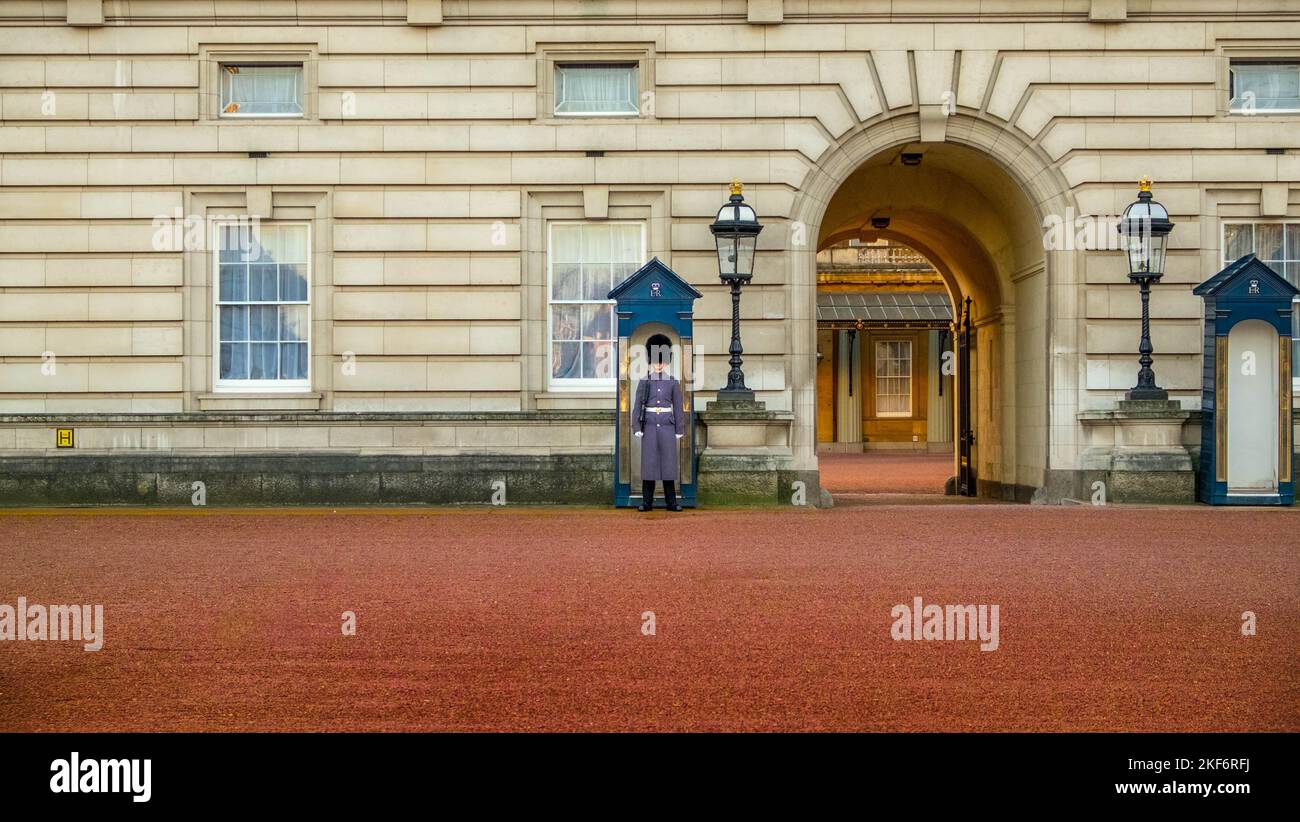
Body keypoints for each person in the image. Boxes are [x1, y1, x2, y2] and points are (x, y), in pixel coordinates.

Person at [632, 334, 686, 512]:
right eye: (656, 360)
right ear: (651, 360)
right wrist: (636, 426)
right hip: (648, 425)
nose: (659, 364)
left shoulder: (673, 382)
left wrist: (679, 428)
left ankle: (671, 502)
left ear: (666, 361)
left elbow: (678, 407)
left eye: (661, 360)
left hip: (667, 426)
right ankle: (647, 502)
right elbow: (637, 405)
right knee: (649, 464)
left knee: (668, 464)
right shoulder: (644, 381)